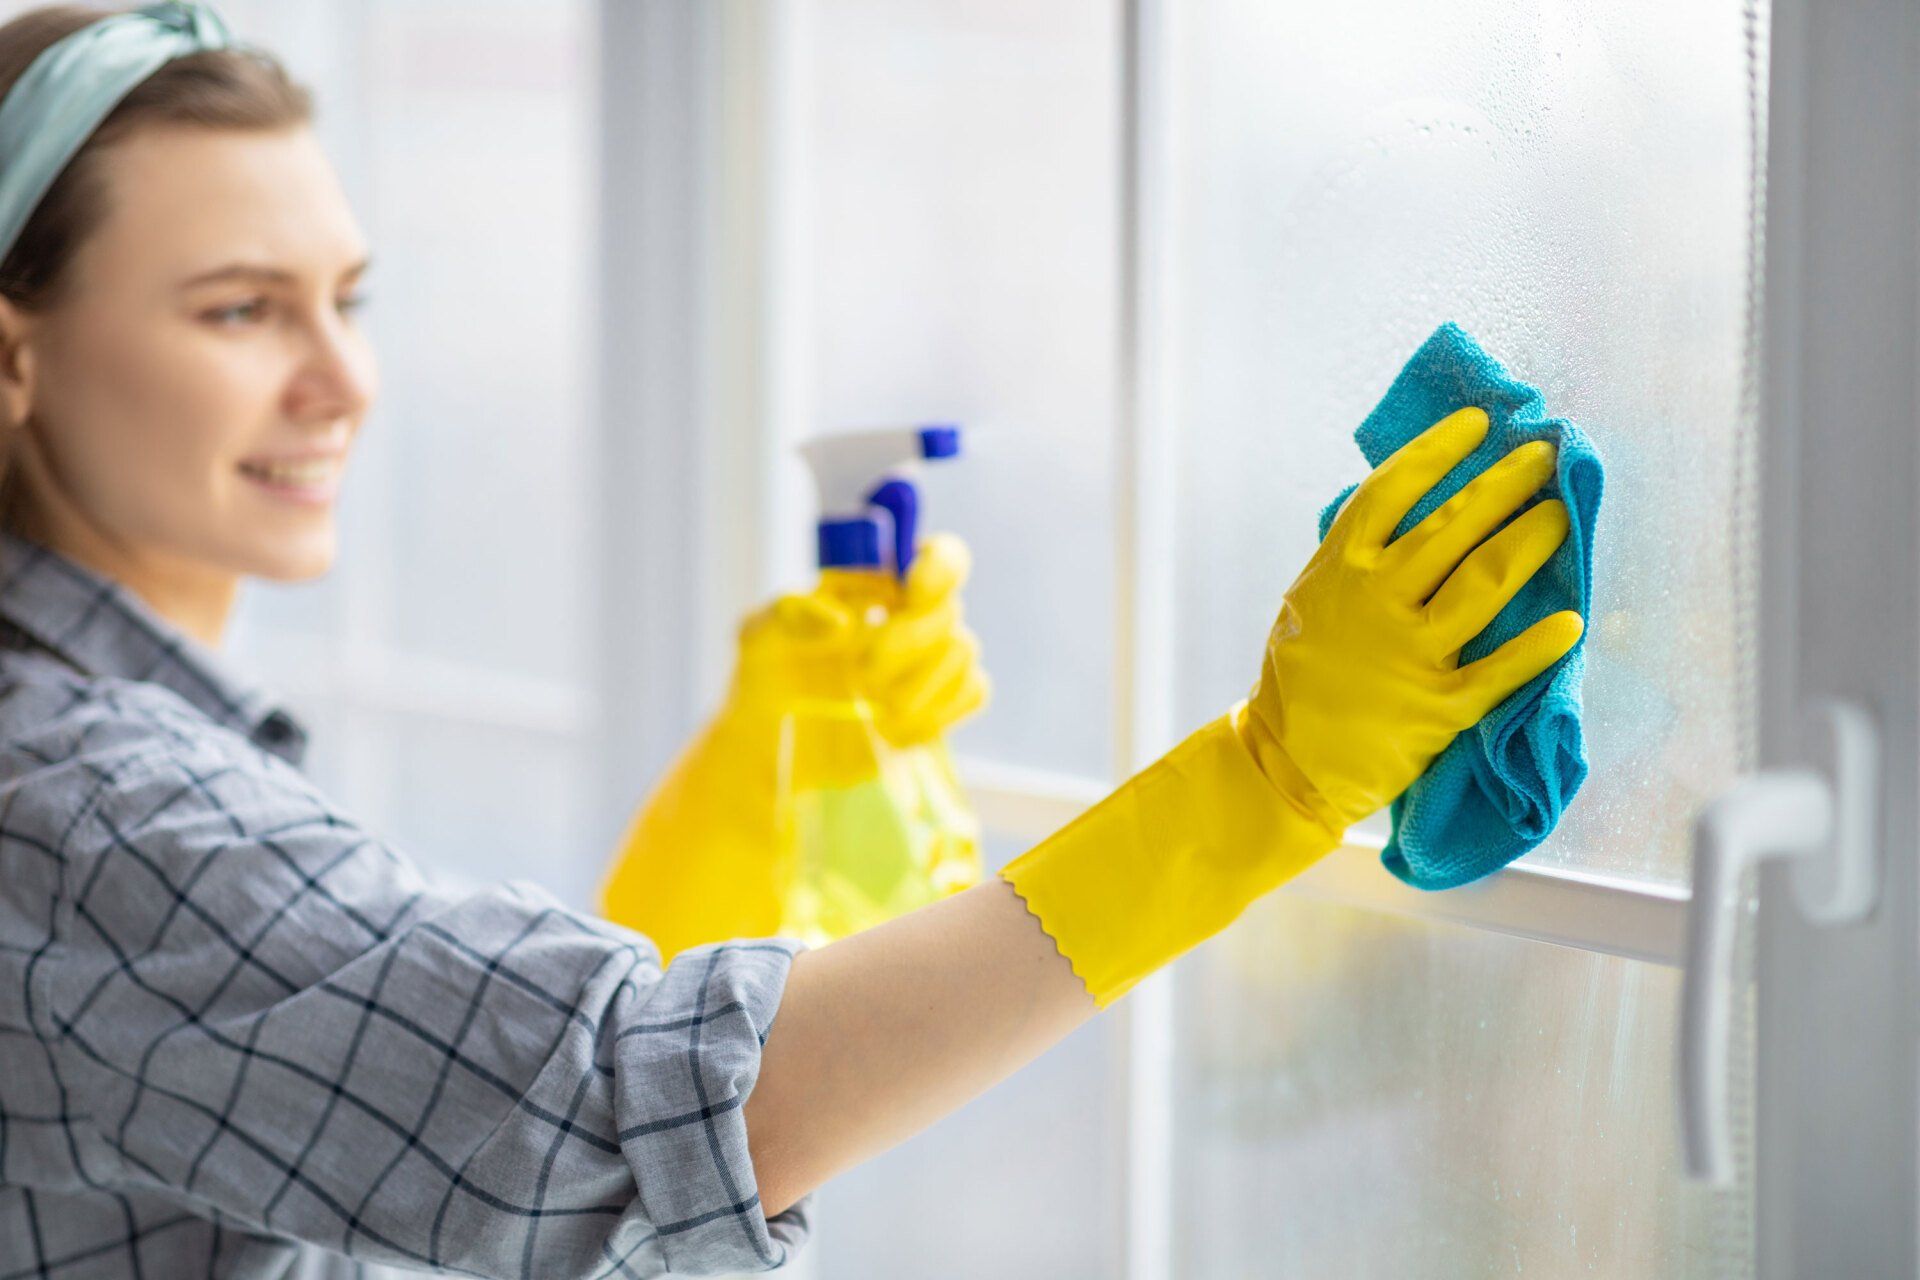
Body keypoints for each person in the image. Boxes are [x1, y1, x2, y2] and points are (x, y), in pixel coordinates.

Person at [0, 4, 1583, 1278]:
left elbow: (428, 1147)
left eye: (348, 297)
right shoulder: (79, 809)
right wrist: (1263, 785)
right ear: (17, 363)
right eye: (237, 310)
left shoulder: (102, 747)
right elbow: (664, 1116)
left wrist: (723, 853)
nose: (343, 381)